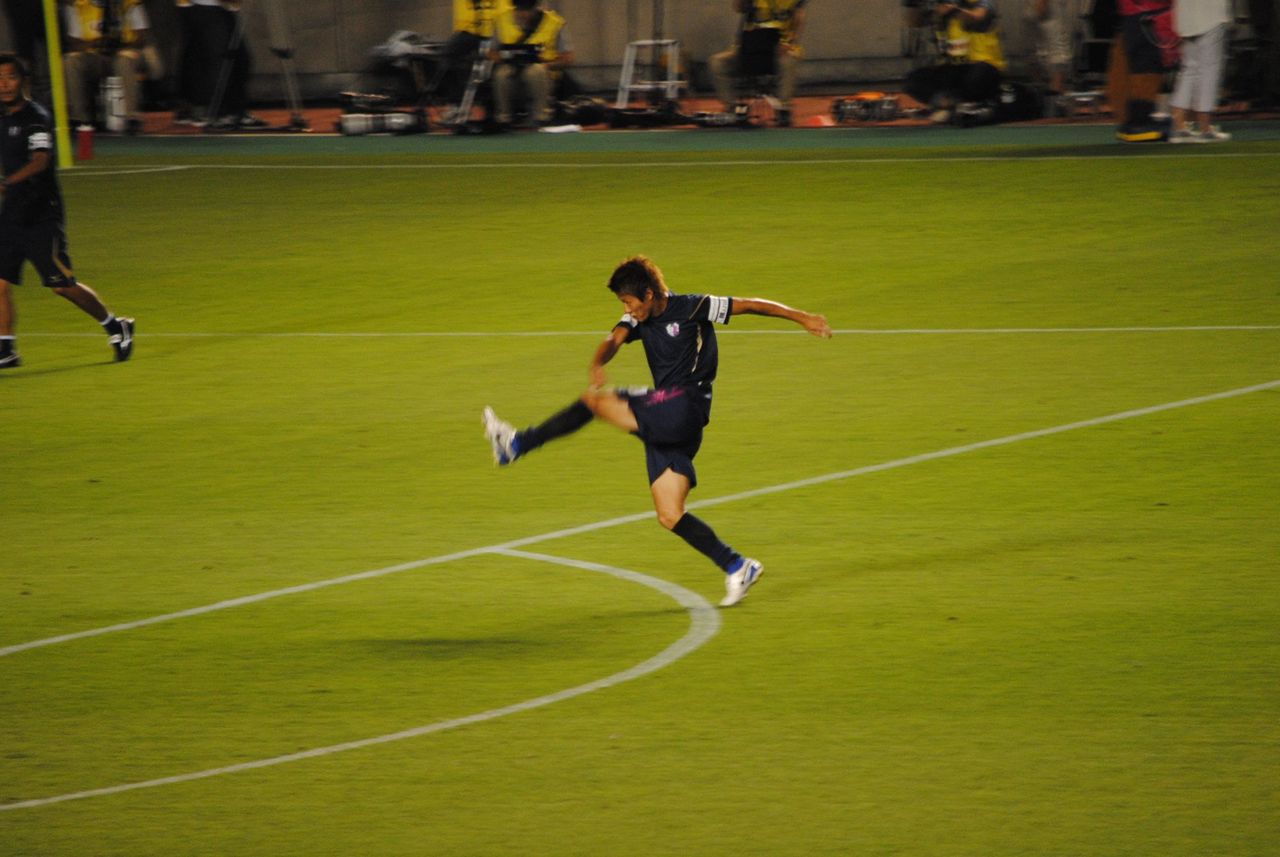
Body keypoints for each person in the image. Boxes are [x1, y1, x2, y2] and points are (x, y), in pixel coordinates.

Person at [482, 256, 832, 607]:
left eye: (628, 302)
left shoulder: (694, 306)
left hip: (685, 405)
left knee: (594, 403)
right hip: (669, 419)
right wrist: (597, 362)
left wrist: (803, 318)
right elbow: (614, 340)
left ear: (648, 294)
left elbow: (751, 305)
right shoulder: (638, 318)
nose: (627, 310)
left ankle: (517, 444)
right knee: (669, 513)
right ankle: (738, 566)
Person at [0, 53, 135, 369]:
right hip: (11, 215)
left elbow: (40, 161)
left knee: (61, 285)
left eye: (10, 77)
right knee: (0, 281)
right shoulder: (3, 118)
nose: (4, 84)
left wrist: (7, 183)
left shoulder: (36, 117)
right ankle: (6, 348)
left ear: (23, 81)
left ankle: (116, 326)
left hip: (40, 215)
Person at [62, 0, 158, 135]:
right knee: (71, 61)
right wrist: (96, 44)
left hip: (124, 52)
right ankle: (79, 119)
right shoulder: (80, 5)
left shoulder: (130, 3)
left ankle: (131, 117)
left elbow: (142, 35)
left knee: (124, 60)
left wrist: (121, 44)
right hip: (95, 54)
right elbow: (74, 42)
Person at [902, 0, 1007, 124]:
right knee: (914, 81)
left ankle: (954, 105)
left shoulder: (982, 3)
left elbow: (976, 17)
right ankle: (951, 105)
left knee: (977, 77)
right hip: (954, 69)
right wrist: (912, 4)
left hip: (985, 67)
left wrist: (953, 9)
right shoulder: (941, 5)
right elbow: (914, 22)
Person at [709, 0, 807, 127]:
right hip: (749, 49)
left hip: (780, 49)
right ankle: (732, 108)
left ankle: (783, 109)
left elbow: (799, 19)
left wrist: (789, 43)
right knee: (718, 62)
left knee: (788, 61)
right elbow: (739, 7)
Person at [489, 0, 574, 128]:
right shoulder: (501, 20)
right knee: (501, 74)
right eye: (520, 9)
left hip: (544, 71)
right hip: (511, 67)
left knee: (535, 71)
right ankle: (504, 117)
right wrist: (505, 58)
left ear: (536, 7)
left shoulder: (555, 23)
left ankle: (541, 116)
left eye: (528, 10)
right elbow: (491, 52)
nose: (524, 14)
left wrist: (547, 66)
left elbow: (568, 58)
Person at [1108, 0, 1177, 142]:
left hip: (1133, 17)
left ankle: (1134, 120)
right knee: (1147, 70)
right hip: (1147, 16)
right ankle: (1139, 122)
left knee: (1138, 70)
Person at [1168, 0, 1233, 142]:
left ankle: (1178, 126)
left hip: (1186, 18)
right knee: (1209, 71)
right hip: (1211, 15)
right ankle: (1205, 128)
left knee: (1189, 69)